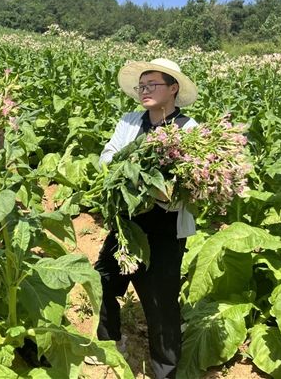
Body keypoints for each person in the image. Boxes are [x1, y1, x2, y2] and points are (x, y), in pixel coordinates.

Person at [87, 58, 198, 379]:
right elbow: (107, 155)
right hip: (127, 220)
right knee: (105, 277)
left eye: (153, 85)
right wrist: (130, 168)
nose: (145, 91)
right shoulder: (130, 121)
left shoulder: (189, 130)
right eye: (142, 86)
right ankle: (110, 342)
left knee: (161, 300)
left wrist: (160, 186)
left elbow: (186, 184)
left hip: (165, 226)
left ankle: (165, 370)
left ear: (173, 88)